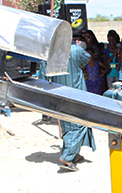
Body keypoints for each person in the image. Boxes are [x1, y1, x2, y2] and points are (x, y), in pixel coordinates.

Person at [39, 42, 96, 172]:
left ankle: (74, 154)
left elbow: (42, 76)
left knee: (66, 124)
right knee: (79, 124)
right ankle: (68, 157)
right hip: (76, 94)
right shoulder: (76, 50)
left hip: (59, 94)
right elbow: (86, 59)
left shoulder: (48, 52)